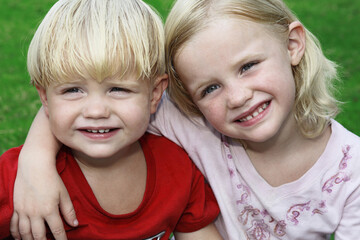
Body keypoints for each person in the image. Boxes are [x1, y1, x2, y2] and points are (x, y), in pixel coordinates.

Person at [10, 0, 360, 239]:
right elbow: (89, 105)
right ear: (179, 96)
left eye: (248, 66)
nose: (237, 98)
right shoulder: (191, 124)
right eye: (209, 88)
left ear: (293, 44)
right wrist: (36, 160)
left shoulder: (352, 170)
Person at [0, 0, 224, 239]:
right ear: (45, 97)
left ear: (155, 93)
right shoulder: (19, 179)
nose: (96, 111)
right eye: (73, 90)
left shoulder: (177, 170)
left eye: (118, 89)